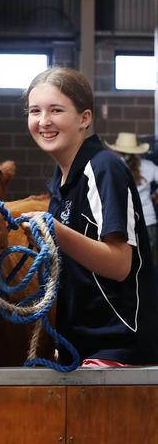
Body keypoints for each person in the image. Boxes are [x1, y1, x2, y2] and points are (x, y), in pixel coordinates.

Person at [24, 67, 158, 367]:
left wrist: (55, 231)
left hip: (118, 345)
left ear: (84, 118)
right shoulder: (60, 182)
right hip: (79, 344)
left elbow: (120, 264)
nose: (44, 121)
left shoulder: (103, 167)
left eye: (56, 110)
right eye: (35, 111)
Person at [105, 132, 158, 266]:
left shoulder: (115, 165)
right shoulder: (149, 166)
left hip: (124, 221)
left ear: (118, 150)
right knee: (148, 263)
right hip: (148, 220)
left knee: (130, 265)